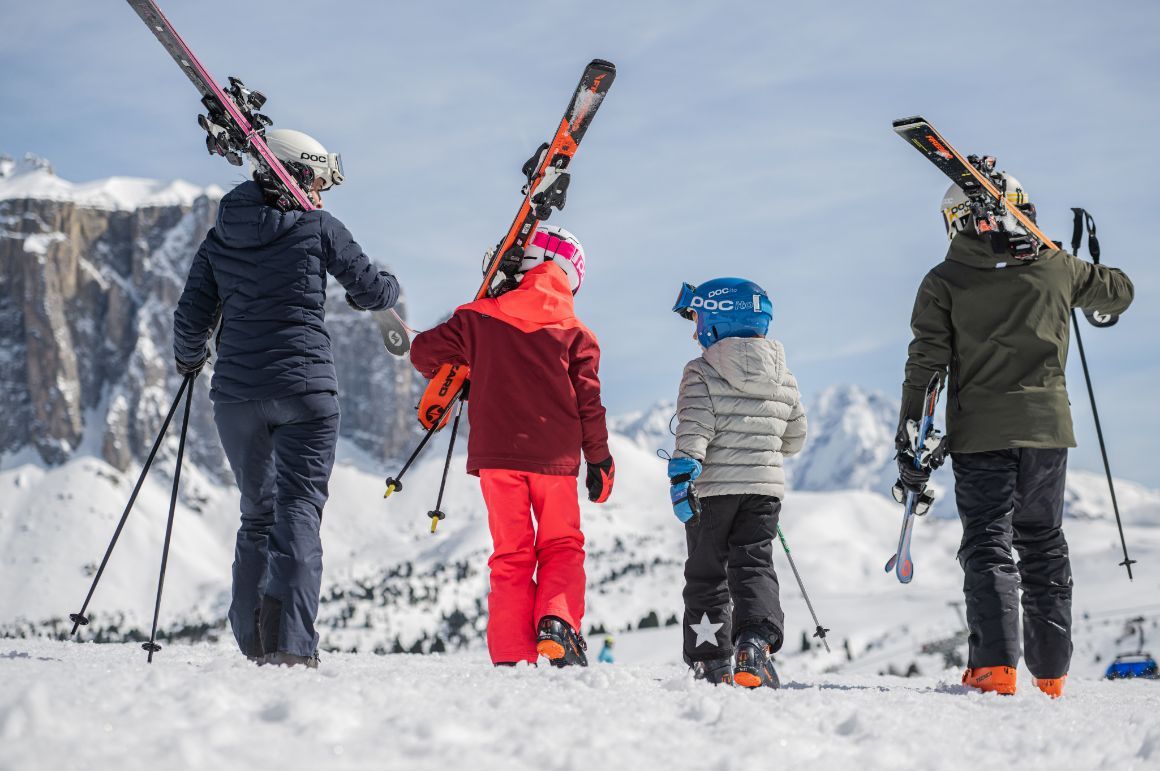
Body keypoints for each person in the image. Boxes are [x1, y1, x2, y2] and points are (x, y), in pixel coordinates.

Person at [897, 171, 1134, 697]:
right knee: (1044, 543)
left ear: (958, 220)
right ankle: (1050, 676)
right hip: (1047, 431)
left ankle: (994, 668)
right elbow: (1120, 291)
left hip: (980, 434)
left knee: (988, 544)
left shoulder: (946, 279)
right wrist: (1055, 254)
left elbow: (926, 364)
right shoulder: (1057, 268)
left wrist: (908, 438)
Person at [173, 128, 400, 668]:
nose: (321, 193)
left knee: (257, 515)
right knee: (297, 510)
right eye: (318, 180)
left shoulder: (219, 235)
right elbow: (371, 290)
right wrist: (388, 286)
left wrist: (190, 362)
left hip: (237, 399)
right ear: (296, 176)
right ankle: (290, 647)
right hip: (305, 392)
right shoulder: (316, 225)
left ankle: (255, 643)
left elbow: (190, 318)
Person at [409, 225, 613, 667]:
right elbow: (589, 406)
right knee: (561, 545)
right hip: (556, 462)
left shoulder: (477, 317)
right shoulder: (578, 333)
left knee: (511, 555)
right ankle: (557, 626)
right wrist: (600, 460)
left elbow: (423, 354)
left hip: (497, 460)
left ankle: (511, 655)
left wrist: (468, 362)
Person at [669, 278, 807, 689]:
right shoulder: (783, 374)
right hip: (763, 492)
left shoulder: (702, 369)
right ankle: (754, 645)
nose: (695, 332)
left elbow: (693, 430)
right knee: (754, 565)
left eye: (697, 320)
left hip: (712, 492)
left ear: (716, 320)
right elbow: (795, 438)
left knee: (707, 574)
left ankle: (710, 660)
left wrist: (681, 476)